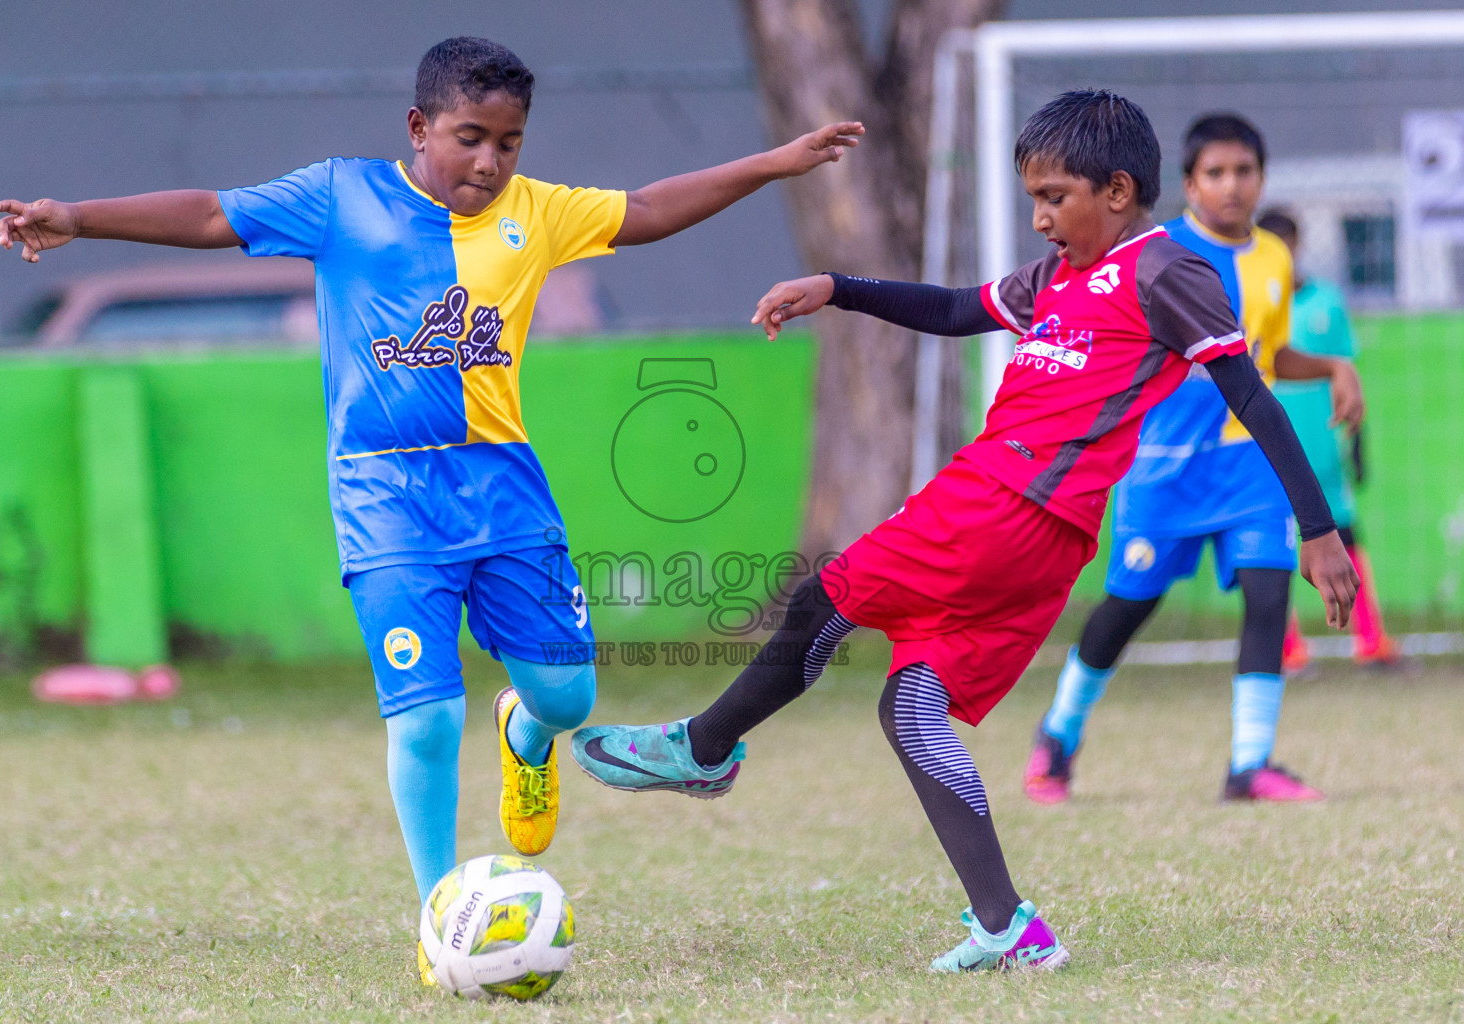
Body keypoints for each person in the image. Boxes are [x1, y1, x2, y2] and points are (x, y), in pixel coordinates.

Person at [0, 36, 862, 980]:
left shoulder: (537, 213)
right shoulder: (341, 199)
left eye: (510, 143)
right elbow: (208, 213)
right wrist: (73, 215)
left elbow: (648, 210)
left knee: (568, 697)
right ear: (418, 128)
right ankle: (441, 917)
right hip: (384, 496)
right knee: (422, 718)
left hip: (505, 490)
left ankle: (523, 730)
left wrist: (779, 160)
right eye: (470, 137)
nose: (490, 161)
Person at [569, 90, 1357, 972]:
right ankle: (1007, 925)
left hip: (1008, 504)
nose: (1040, 216)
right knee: (909, 708)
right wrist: (836, 287)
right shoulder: (1053, 279)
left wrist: (1316, 528)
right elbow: (954, 309)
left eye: (1056, 195)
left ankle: (704, 749)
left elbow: (1249, 394)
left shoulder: (1165, 270)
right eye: (1033, 197)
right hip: (1037, 538)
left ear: (1121, 191)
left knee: (826, 597)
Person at [1024, 114, 1366, 808]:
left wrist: (1331, 366)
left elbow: (1259, 358)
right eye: (1216, 173)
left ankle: (1250, 764)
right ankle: (1058, 737)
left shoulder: (1274, 257)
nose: (1231, 186)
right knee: (1126, 608)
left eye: (1244, 171)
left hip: (1248, 465)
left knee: (1270, 596)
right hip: (1163, 467)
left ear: (1261, 179)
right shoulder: (1155, 252)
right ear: (1187, 184)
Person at [1257, 209, 1404, 671]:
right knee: (1272, 545)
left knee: (1346, 536)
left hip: (1324, 446)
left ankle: (1370, 639)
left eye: (1289, 246)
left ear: (1299, 247)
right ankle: (1288, 649)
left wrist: (1358, 441)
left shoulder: (1327, 302)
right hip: (1268, 448)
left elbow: (1348, 374)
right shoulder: (1255, 302)